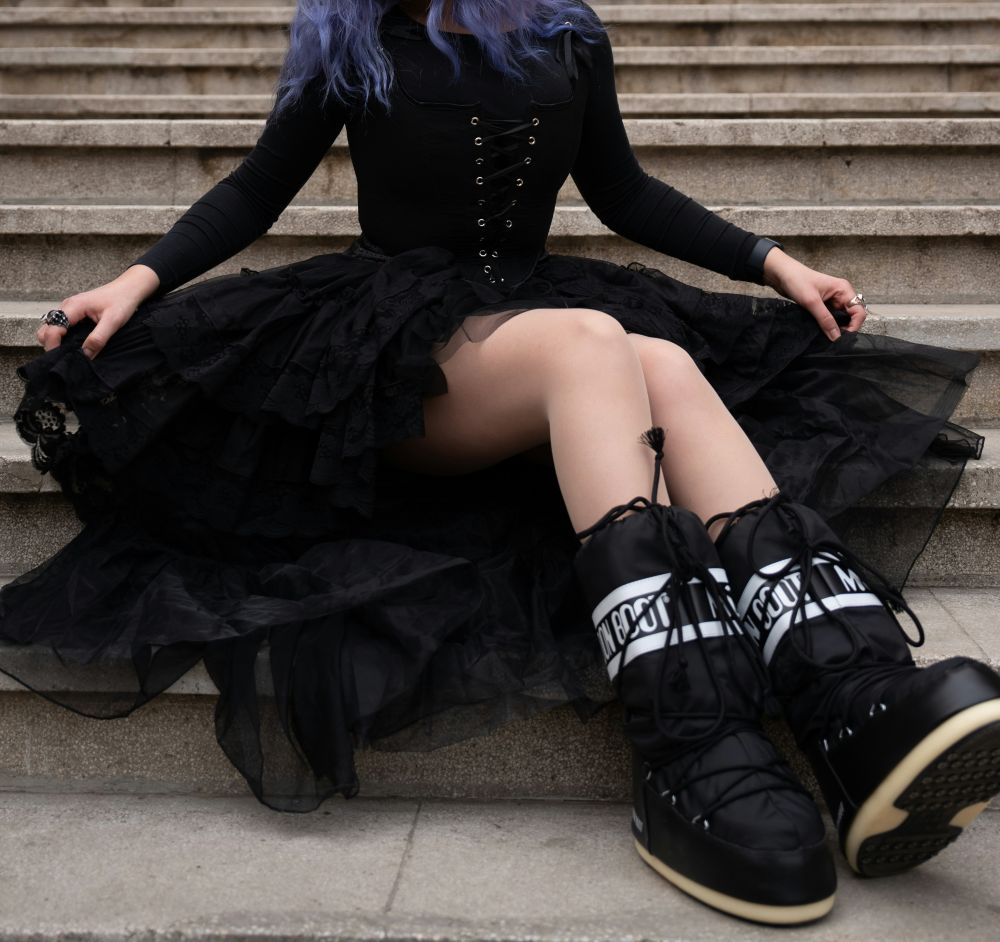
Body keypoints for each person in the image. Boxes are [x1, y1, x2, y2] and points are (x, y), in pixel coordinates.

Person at [2, 0, 997, 926]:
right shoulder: (353, 27)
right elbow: (260, 186)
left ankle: (851, 701)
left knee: (655, 357)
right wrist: (136, 281)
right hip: (402, 367)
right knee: (595, 344)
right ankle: (687, 743)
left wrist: (775, 262)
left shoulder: (567, 29)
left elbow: (623, 190)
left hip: (550, 331)